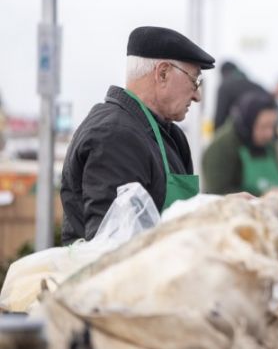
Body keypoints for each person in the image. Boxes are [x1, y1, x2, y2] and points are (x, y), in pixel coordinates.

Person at [61, 26, 215, 244]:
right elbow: (113, 246)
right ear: (162, 73)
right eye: (195, 81)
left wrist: (220, 211)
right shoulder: (114, 136)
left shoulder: (170, 136)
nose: (197, 95)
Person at [202, 91, 278, 196]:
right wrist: (263, 197)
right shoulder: (221, 149)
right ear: (247, 124)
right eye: (264, 126)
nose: (269, 133)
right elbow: (217, 194)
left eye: (272, 126)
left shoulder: (268, 144)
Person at [213, 60, 267, 130]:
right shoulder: (257, 86)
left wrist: (216, 138)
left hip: (237, 136)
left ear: (224, 73)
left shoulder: (225, 87)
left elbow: (219, 118)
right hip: (261, 134)